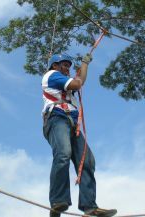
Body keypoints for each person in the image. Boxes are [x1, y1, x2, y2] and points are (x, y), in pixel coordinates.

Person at [42, 53, 117, 217]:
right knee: (63, 154)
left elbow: (79, 81)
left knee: (87, 161)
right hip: (56, 119)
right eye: (64, 64)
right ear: (55, 66)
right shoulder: (52, 75)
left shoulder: (64, 85)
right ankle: (57, 201)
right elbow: (78, 83)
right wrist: (82, 67)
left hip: (71, 123)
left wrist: (85, 64)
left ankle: (89, 206)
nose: (67, 68)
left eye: (68, 65)